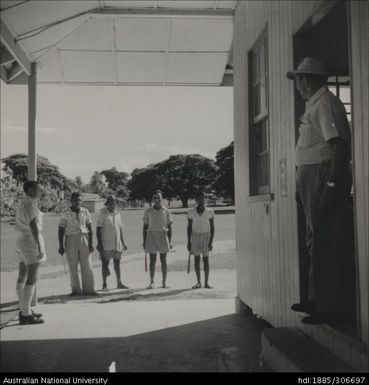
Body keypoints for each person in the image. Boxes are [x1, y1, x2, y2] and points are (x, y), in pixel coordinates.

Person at [287, 57, 352, 324]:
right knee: (315, 239)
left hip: (322, 175)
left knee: (324, 240)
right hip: (310, 175)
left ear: (309, 79)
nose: (298, 84)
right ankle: (316, 300)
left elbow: (339, 147)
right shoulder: (315, 103)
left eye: (300, 79)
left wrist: (331, 185)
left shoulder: (325, 103)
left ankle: (329, 307)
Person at [15, 180, 45, 325]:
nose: (41, 191)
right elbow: (33, 225)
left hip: (21, 239)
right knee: (32, 277)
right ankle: (26, 315)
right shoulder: (30, 203)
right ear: (32, 190)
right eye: (39, 189)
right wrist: (39, 245)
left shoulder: (23, 203)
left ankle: (24, 309)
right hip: (29, 240)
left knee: (22, 275)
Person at [58, 192, 97, 296]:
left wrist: (91, 243)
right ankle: (76, 290)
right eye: (75, 200)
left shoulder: (85, 211)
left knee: (87, 264)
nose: (77, 202)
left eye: (79, 200)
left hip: (84, 237)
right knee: (72, 265)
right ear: (71, 201)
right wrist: (61, 246)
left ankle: (89, 290)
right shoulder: (65, 212)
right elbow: (61, 229)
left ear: (81, 201)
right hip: (70, 239)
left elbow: (89, 227)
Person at [96, 195, 128, 291]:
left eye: (114, 202)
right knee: (105, 264)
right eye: (110, 202)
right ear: (107, 203)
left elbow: (120, 229)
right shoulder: (103, 213)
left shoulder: (118, 214)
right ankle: (104, 285)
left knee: (117, 264)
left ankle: (119, 282)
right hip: (106, 243)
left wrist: (123, 242)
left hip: (117, 244)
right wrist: (99, 243)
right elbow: (98, 229)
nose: (112, 204)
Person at [142, 190, 173, 289]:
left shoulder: (166, 211)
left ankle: (164, 282)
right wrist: (144, 241)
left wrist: (170, 240)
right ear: (153, 199)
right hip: (151, 235)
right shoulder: (148, 211)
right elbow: (145, 227)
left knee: (163, 259)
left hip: (163, 235)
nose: (157, 199)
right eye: (155, 198)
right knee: (152, 259)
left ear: (161, 198)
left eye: (158, 197)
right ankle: (152, 282)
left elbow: (169, 226)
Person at [187, 192, 215, 289]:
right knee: (197, 259)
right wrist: (188, 241)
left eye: (202, 198)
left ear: (205, 199)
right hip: (195, 236)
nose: (201, 200)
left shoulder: (210, 211)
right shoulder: (191, 212)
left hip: (206, 236)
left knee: (206, 259)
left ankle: (206, 282)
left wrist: (211, 241)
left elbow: (212, 227)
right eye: (199, 199)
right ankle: (198, 282)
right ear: (196, 200)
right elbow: (189, 227)